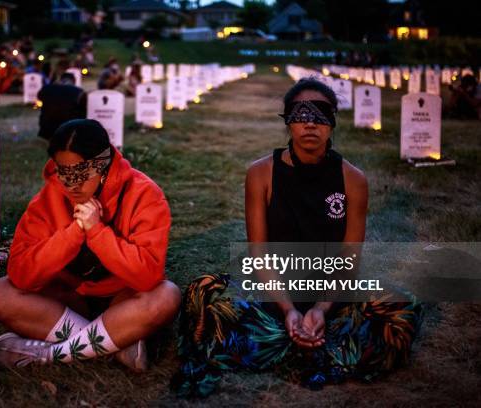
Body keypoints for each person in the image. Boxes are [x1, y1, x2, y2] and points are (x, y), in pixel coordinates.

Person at [172, 78, 423, 397]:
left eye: (320, 115)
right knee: (203, 292)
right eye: (301, 114)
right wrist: (289, 309)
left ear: (333, 123)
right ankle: (309, 340)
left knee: (403, 305)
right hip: (273, 289)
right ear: (288, 121)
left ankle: (297, 338)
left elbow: (349, 257)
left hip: (330, 290)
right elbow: (258, 252)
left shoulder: (354, 180)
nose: (310, 124)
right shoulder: (261, 173)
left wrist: (320, 308)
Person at [0, 119, 181, 372]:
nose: (73, 184)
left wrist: (97, 232)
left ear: (104, 165)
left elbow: (147, 277)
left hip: (124, 301)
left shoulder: (145, 194)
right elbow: (21, 275)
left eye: (82, 173)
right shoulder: (46, 200)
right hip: (67, 302)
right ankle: (119, 342)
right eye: (64, 173)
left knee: (166, 296)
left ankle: (46, 354)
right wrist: (74, 232)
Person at [36, 73, 86, 140]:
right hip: (69, 131)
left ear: (60, 79)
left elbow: (39, 100)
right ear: (74, 81)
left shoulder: (46, 88)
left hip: (46, 130)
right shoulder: (79, 92)